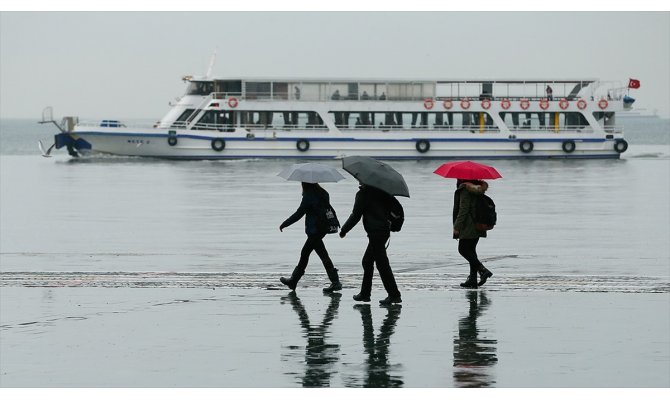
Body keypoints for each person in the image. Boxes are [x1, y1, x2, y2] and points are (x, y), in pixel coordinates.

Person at [339, 184, 402, 305]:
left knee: (382, 264)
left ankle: (394, 295)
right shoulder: (383, 191)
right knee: (367, 261)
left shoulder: (363, 194)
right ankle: (365, 294)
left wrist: (344, 230)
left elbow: (356, 215)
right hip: (384, 231)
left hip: (375, 232)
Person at [279, 182, 341, 293]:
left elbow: (299, 213)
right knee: (309, 254)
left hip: (314, 230)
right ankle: (293, 281)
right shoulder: (323, 193)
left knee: (315, 255)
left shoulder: (309, 196)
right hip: (323, 228)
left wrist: (285, 223)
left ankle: (335, 282)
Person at [453, 179, 493, 288]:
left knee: (463, 249)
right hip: (478, 224)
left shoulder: (465, 189)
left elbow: (463, 209)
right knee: (471, 251)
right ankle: (473, 279)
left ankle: (483, 270)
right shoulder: (478, 189)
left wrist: (457, 226)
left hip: (468, 225)